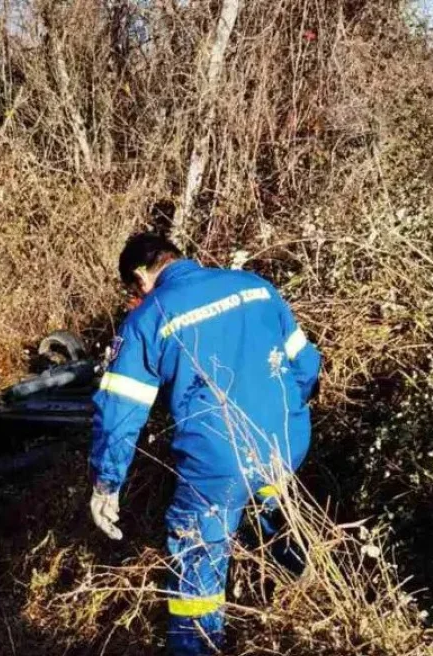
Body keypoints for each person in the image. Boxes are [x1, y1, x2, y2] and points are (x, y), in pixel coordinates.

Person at [88, 233, 322, 656]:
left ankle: (198, 645)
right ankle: (305, 597)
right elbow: (306, 365)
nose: (136, 295)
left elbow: (119, 412)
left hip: (219, 463)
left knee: (198, 550)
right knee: (270, 500)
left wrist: (107, 482)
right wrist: (285, 411)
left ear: (142, 274)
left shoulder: (150, 317)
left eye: (133, 287)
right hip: (287, 442)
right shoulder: (254, 285)